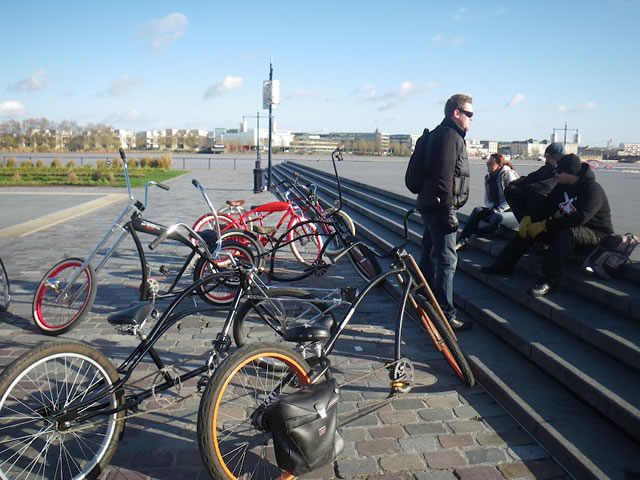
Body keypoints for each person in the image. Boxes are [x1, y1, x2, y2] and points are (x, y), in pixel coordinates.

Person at [482, 154, 614, 297]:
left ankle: (549, 279)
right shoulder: (562, 186)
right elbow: (547, 207)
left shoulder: (592, 189)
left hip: (596, 234)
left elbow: (579, 218)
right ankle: (503, 265)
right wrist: (530, 219)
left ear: (571, 173)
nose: (555, 175)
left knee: (566, 233)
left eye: (559, 172)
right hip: (570, 227)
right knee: (528, 229)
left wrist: (546, 224)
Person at [415, 93, 472, 330]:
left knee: (429, 254)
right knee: (447, 261)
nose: (471, 119)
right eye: (468, 114)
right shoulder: (450, 136)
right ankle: (445, 314)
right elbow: (444, 178)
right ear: (455, 113)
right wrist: (449, 212)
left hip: (429, 205)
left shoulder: (439, 134)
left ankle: (424, 301)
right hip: (440, 208)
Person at [456, 153, 519, 251]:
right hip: (496, 209)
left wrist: (498, 209)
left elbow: (513, 199)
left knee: (497, 217)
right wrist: (492, 207)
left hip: (513, 212)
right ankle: (462, 241)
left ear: (500, 165)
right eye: (487, 163)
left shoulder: (508, 175)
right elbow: (487, 199)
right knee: (478, 210)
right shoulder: (489, 178)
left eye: (491, 163)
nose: (488, 166)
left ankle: (482, 232)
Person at [504, 142, 565, 222]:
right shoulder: (545, 169)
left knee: (534, 195)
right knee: (510, 191)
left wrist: (525, 189)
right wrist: (514, 185)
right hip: (534, 198)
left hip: (549, 205)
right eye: (547, 156)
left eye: (550, 157)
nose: (547, 160)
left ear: (558, 158)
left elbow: (546, 185)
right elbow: (530, 178)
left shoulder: (562, 173)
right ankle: (524, 222)